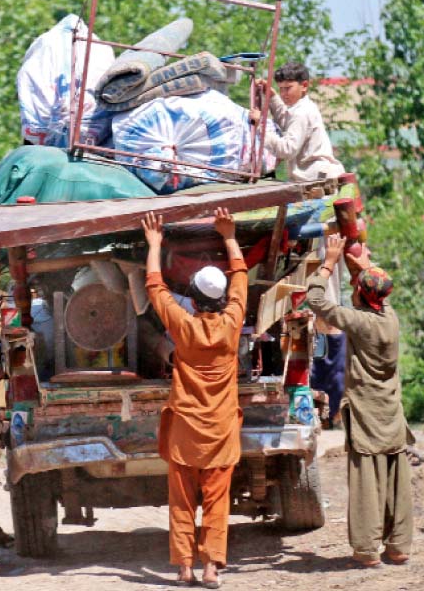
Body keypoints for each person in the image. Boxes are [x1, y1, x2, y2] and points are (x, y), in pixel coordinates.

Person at [143, 208, 247, 589]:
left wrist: (154, 244)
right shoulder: (233, 324)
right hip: (220, 433)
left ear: (195, 299)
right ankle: (211, 568)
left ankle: (184, 567)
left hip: (185, 431)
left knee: (182, 501)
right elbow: (240, 279)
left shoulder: (184, 327)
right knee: (218, 502)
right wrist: (229, 235)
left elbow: (155, 288)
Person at [306, 235, 414, 568]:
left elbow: (316, 301)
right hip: (391, 413)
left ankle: (367, 551)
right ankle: (398, 547)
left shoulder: (360, 322)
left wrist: (329, 262)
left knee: (368, 479)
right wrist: (362, 263)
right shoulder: (389, 317)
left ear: (360, 297)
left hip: (367, 414)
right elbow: (373, 289)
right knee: (397, 480)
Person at [250, 62, 344, 182]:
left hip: (315, 179)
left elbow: (287, 150)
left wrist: (260, 127)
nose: (283, 94)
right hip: (315, 176)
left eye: (288, 88)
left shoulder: (302, 112)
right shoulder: (302, 108)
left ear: (304, 85)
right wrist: (272, 96)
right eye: (281, 89)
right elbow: (286, 120)